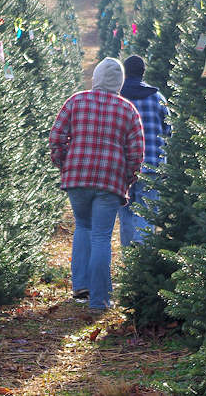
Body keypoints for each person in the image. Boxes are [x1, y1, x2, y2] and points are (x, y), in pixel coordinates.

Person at [49, 58, 144, 311]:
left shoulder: (76, 101)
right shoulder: (127, 109)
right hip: (110, 181)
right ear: (120, 82)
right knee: (102, 236)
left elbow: (56, 137)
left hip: (77, 178)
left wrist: (65, 165)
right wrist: (128, 178)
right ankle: (99, 300)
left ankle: (81, 286)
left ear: (96, 77)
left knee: (82, 227)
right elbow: (136, 153)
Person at [117, 55, 171, 246]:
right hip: (152, 166)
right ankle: (143, 256)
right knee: (147, 213)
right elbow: (169, 132)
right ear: (143, 72)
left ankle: (129, 258)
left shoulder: (117, 98)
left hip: (123, 168)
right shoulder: (158, 98)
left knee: (125, 213)